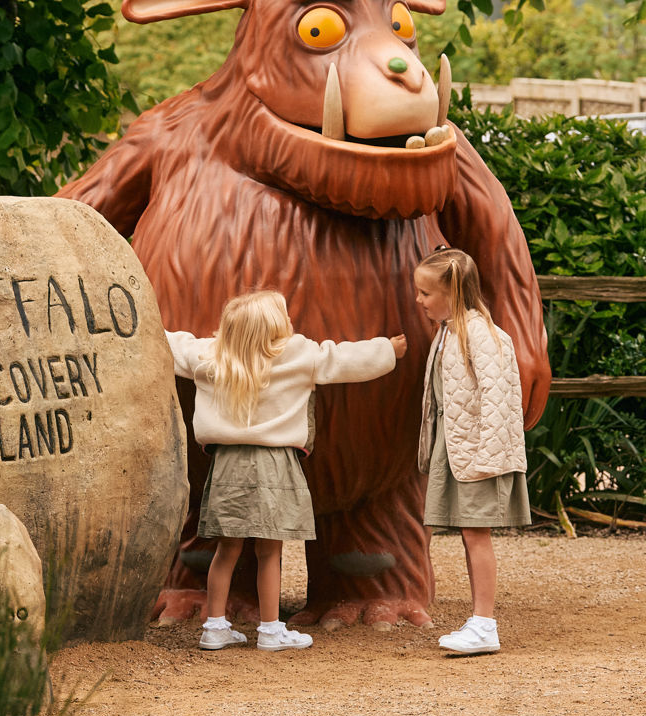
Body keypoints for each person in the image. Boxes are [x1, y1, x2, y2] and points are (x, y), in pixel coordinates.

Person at [166, 291, 405, 652]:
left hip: (226, 464)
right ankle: (270, 629)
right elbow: (344, 359)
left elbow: (170, 344)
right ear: (277, 328)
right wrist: (389, 349)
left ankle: (214, 628)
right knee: (269, 552)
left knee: (226, 550)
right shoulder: (296, 356)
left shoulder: (209, 356)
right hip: (273, 464)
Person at [414, 245, 530, 657]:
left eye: (426, 293)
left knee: (476, 535)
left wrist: (488, 460)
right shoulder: (449, 332)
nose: (419, 300)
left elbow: (499, 399)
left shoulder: (482, 335)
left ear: (453, 292)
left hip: (479, 453)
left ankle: (484, 624)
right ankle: (479, 621)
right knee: (467, 533)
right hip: (457, 447)